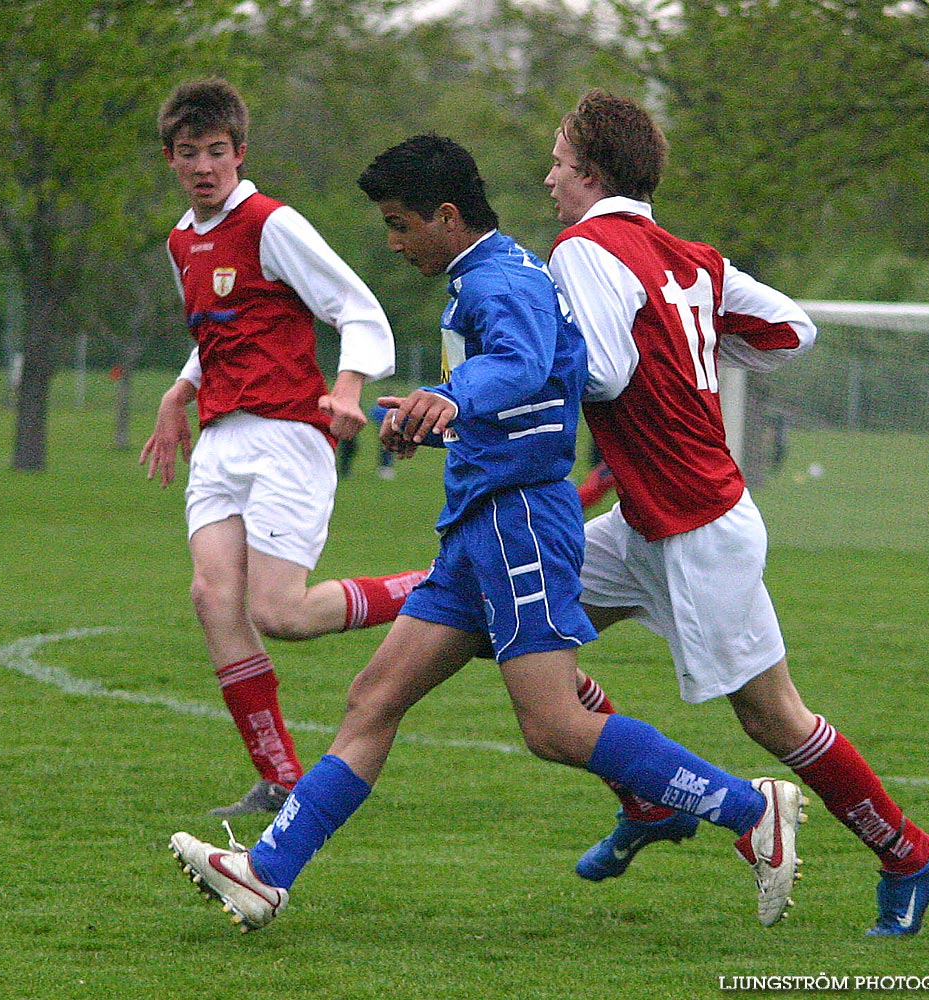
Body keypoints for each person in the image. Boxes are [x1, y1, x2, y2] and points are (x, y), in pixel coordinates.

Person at [170, 133, 805, 933]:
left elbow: (521, 360)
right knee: (372, 698)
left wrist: (456, 392)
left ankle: (751, 812)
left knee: (553, 726)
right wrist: (430, 421)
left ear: (445, 215)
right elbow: (533, 404)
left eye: (400, 226)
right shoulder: (482, 273)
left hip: (518, 528)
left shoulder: (499, 278)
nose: (394, 244)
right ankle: (264, 874)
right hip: (477, 529)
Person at [543, 88, 929, 936]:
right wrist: (693, 348)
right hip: (648, 522)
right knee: (518, 632)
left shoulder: (582, 248)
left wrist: (529, 367)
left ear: (588, 170)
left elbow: (607, 374)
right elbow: (789, 330)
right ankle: (649, 801)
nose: (546, 175)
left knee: (771, 716)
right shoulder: (690, 255)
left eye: (555, 159)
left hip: (697, 525)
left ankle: (911, 853)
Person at [140, 79, 428, 817]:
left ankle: (440, 586)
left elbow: (358, 309)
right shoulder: (181, 240)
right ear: (170, 160)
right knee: (212, 596)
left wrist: (348, 389)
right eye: (187, 153)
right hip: (219, 440)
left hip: (285, 437)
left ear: (239, 153)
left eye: (215, 151)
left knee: (282, 613)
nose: (203, 166)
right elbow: (219, 331)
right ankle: (281, 780)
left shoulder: (272, 224)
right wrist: (179, 390)